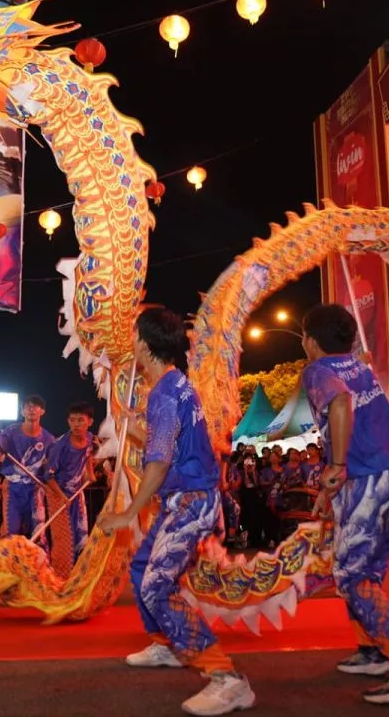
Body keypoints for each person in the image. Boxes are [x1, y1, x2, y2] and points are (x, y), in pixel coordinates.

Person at [98, 307, 255, 716]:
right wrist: (134, 427)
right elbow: (166, 440)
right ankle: (165, 644)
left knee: (155, 586)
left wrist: (127, 512)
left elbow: (160, 460)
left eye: (134, 335)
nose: (129, 341)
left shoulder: (165, 394)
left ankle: (226, 677)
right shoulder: (174, 386)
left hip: (191, 501)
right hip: (183, 499)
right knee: (141, 569)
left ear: (146, 346)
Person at [299, 304, 389, 704]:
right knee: (368, 569)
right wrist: (334, 486)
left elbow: (340, 405)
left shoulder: (317, 371)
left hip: (367, 475)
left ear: (310, 341)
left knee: (349, 574)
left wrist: (339, 467)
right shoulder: (358, 366)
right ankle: (372, 649)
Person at [44, 402, 99, 563]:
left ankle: (79, 573)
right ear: (68, 422)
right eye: (72, 420)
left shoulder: (89, 438)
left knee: (81, 534)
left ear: (90, 422)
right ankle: (62, 577)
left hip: (76, 492)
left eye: (80, 420)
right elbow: (49, 477)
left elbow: (88, 454)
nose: (76, 425)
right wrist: (61, 496)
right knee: (64, 539)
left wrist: (89, 473)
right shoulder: (59, 446)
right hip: (57, 494)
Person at [0, 396, 56, 549]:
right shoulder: (10, 432)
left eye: (35, 406)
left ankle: (38, 569)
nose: (31, 409)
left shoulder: (49, 439)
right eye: (27, 406)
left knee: (37, 533)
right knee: (12, 532)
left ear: (42, 411)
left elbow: (51, 468)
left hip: (35, 489)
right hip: (13, 488)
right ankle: (10, 569)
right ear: (22, 411)